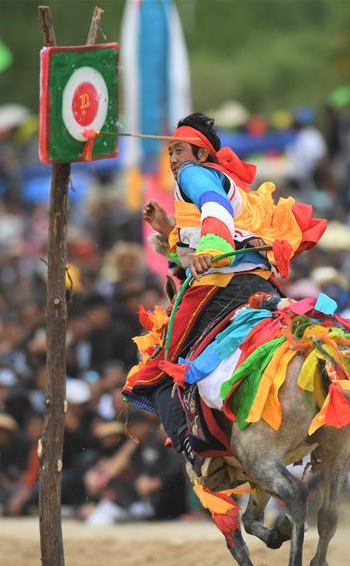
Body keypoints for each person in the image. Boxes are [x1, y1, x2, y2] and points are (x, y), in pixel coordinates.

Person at [124, 112, 323, 459]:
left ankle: (190, 436)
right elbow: (221, 229)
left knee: (159, 365)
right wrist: (168, 229)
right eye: (170, 153)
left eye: (180, 151)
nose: (173, 161)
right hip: (261, 288)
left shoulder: (193, 174)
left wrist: (212, 251)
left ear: (201, 154)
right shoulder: (228, 181)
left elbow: (216, 214)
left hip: (222, 288)